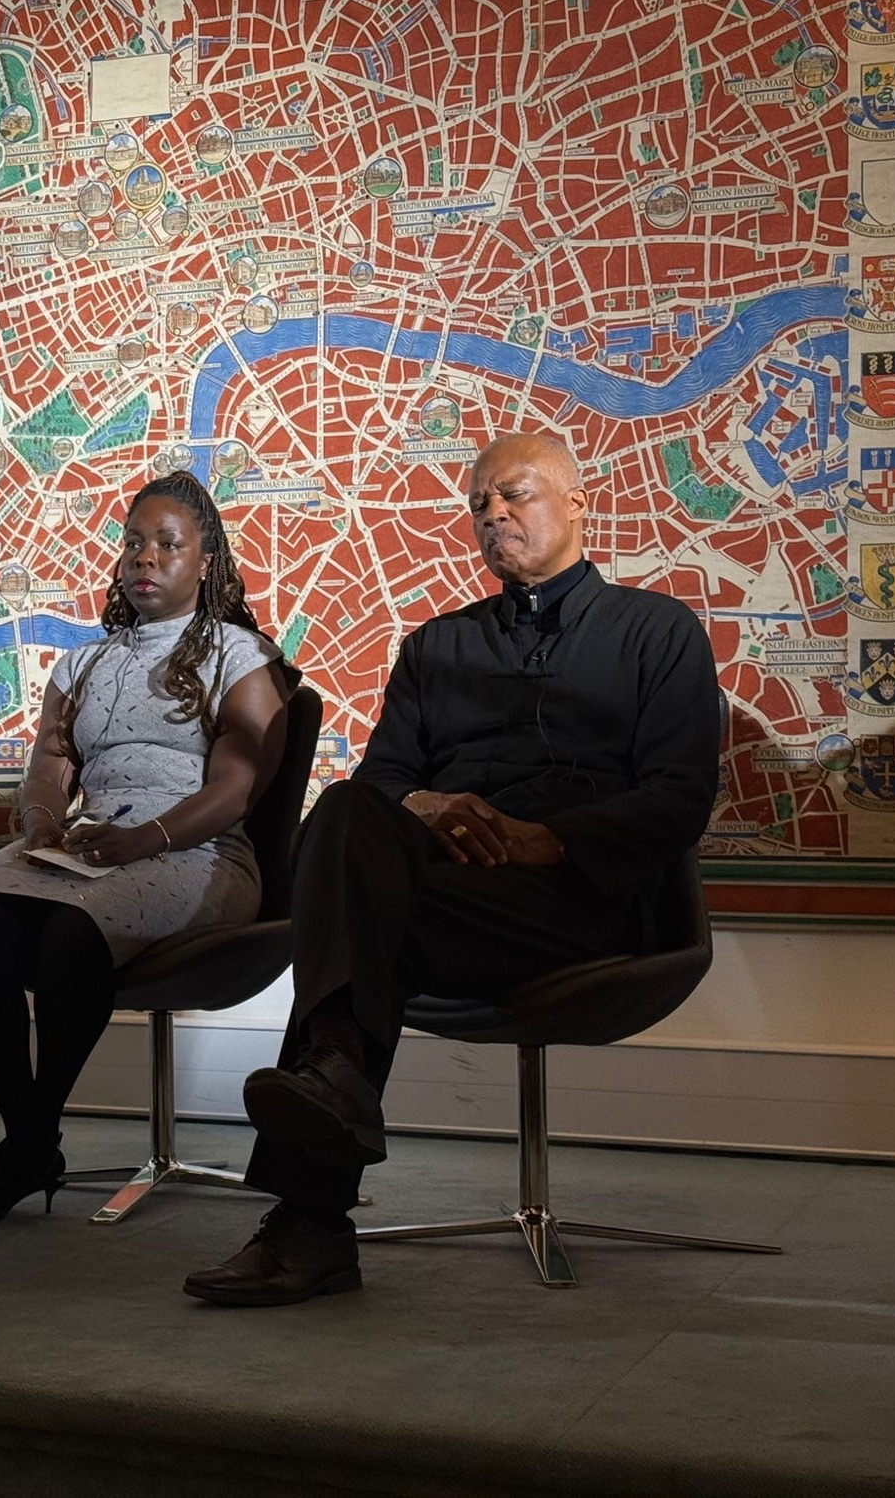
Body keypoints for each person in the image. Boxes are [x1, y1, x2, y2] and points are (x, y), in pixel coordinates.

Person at [182, 432, 722, 1306]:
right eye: (478, 505)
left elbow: (679, 798)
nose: (492, 514)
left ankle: (312, 1211)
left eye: (513, 495)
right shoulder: (437, 647)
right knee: (349, 810)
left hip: (582, 902)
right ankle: (334, 1082)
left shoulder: (657, 632)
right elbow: (384, 785)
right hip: (452, 894)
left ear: (578, 504)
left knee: (366, 926)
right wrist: (425, 806)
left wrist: (546, 840)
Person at [0, 472, 299, 1224]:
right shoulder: (84, 663)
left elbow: (235, 792)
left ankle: (32, 1139)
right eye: (133, 543)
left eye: (167, 544)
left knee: (72, 931)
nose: (144, 558)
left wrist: (143, 840)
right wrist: (41, 823)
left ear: (206, 562)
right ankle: (29, 1137)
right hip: (95, 846)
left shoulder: (241, 657)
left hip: (200, 853)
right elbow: (49, 765)